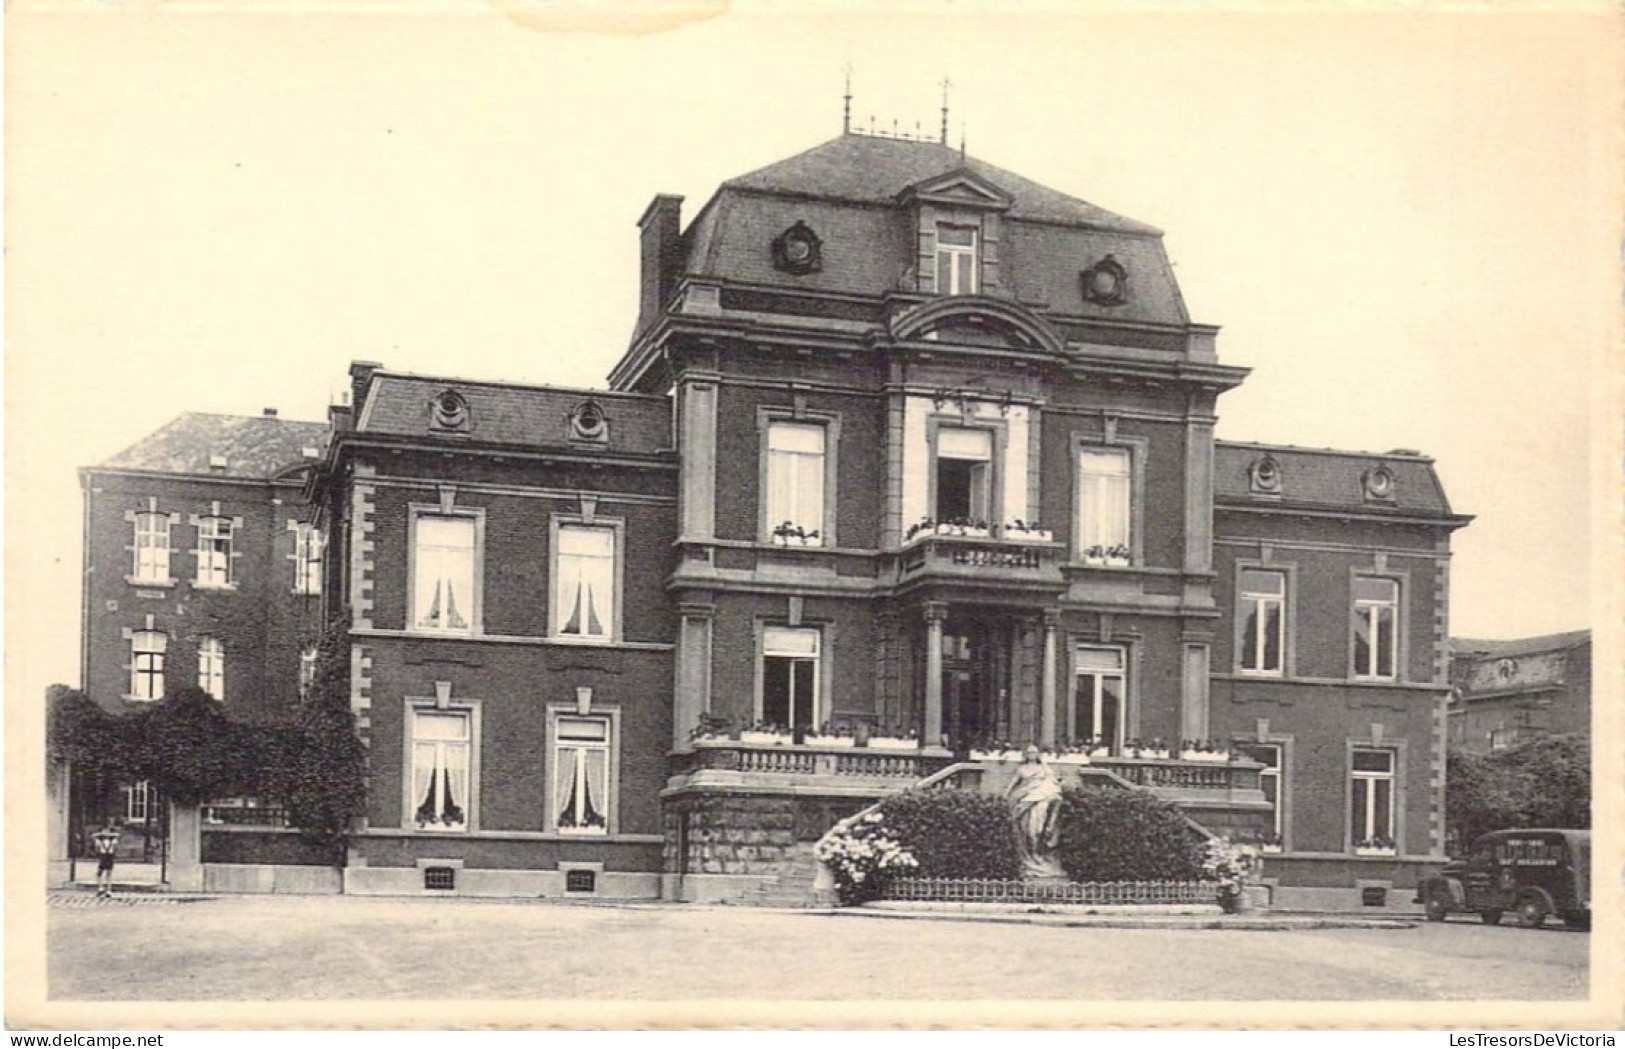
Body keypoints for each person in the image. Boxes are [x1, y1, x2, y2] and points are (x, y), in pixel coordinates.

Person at [1006, 746, 1065, 879]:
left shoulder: (1044, 768)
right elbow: (1013, 784)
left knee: (1040, 831)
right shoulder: (1022, 769)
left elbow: (1054, 784)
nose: (1032, 754)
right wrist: (1006, 796)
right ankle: (1033, 856)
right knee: (1031, 832)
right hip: (1026, 801)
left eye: (1034, 752)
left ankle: (1040, 855)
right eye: (1029, 752)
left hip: (1043, 801)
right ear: (1026, 755)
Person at [90, 820, 121, 899]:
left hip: (105, 856)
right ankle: (107, 890)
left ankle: (103, 888)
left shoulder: (100, 841)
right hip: (108, 856)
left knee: (102, 874)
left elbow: (94, 836)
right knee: (106, 874)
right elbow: (117, 835)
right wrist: (107, 833)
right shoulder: (112, 840)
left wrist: (102, 833)